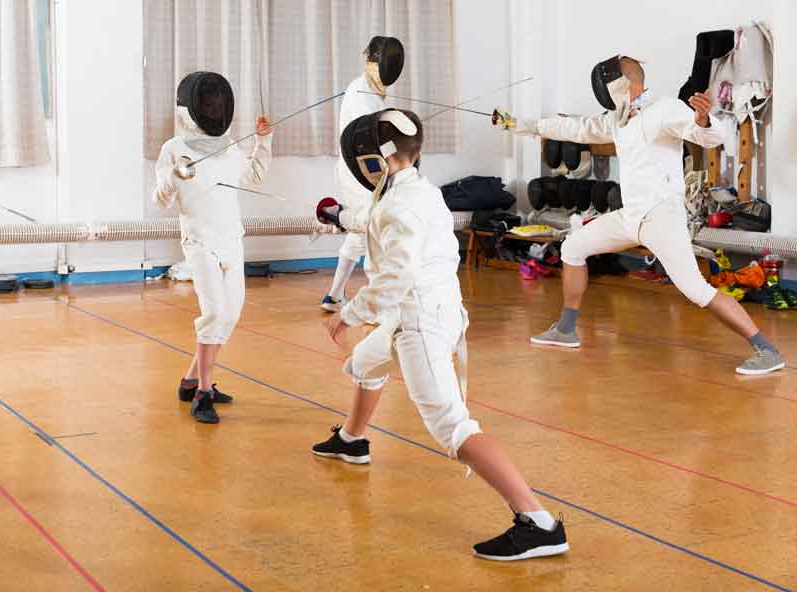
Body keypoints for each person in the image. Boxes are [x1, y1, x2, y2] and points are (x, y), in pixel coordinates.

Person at [312, 108, 569, 560]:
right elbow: (376, 219)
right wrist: (339, 217)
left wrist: (348, 313)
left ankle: (539, 522)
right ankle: (353, 440)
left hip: (419, 323)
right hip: (434, 309)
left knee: (453, 427)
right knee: (364, 363)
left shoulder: (400, 203)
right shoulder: (412, 189)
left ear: (376, 158)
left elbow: (394, 276)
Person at [496, 55, 784, 375]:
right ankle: (565, 328)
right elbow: (576, 127)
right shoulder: (619, 119)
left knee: (696, 290)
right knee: (573, 247)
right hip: (631, 217)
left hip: (662, 217)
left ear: (627, 85)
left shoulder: (664, 109)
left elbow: (709, 136)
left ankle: (766, 349)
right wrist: (520, 125)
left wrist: (704, 121)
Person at [153, 71, 272, 423]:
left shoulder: (229, 146)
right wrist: (174, 176)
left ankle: (190, 381)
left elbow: (252, 176)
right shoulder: (173, 150)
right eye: (207, 103)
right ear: (191, 109)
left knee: (230, 315)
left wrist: (263, 142)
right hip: (200, 243)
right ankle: (203, 393)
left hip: (231, 240)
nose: (213, 107)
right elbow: (160, 199)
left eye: (216, 102)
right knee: (215, 313)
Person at [320, 36, 404, 312]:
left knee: (360, 233)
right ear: (373, 62)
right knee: (374, 230)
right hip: (360, 172)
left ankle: (334, 296)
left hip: (365, 170)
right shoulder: (360, 93)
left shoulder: (373, 93)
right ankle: (377, 306)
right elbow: (374, 138)